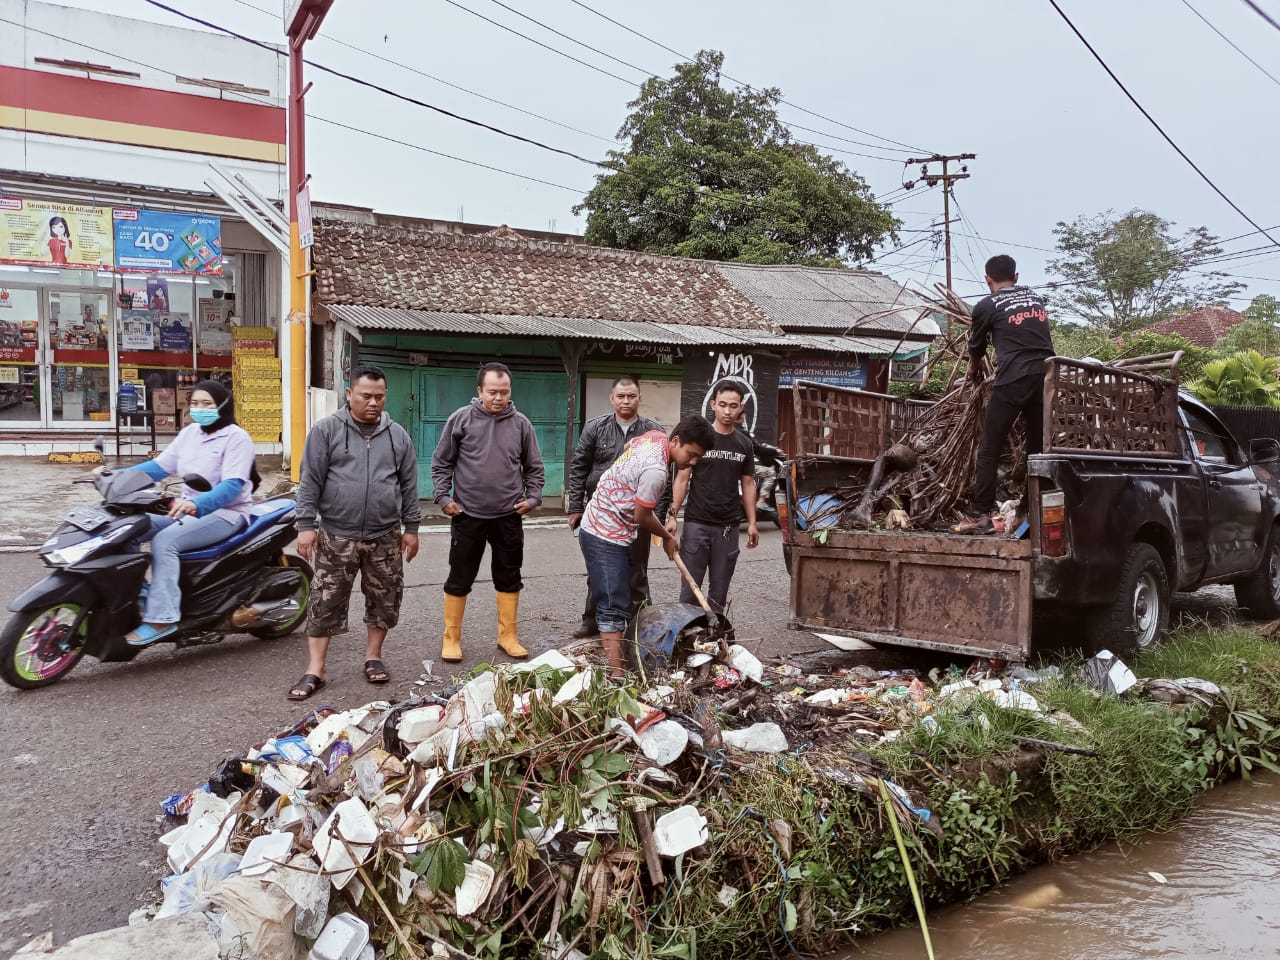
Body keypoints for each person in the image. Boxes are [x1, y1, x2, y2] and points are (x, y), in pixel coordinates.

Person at [289, 365, 420, 700]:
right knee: (325, 601)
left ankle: (373, 657)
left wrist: (412, 528)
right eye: (366, 396)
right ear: (350, 394)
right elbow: (310, 481)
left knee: (384, 600)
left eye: (379, 396)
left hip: (385, 535)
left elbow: (408, 485)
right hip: (337, 533)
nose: (373, 403)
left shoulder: (397, 436)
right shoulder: (326, 430)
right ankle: (315, 669)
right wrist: (306, 526)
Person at [121, 380, 258, 646]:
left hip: (225, 513)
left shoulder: (236, 437)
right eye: (194, 403)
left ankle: (162, 618)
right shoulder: (190, 432)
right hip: (185, 508)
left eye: (206, 404)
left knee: (165, 542)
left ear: (222, 405)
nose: (199, 409)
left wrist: (199, 504)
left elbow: (232, 485)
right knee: (128, 529)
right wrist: (114, 478)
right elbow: (160, 467)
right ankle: (145, 596)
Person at [580, 416, 715, 674]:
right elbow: (641, 516)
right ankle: (617, 673)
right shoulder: (657, 471)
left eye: (699, 457)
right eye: (691, 454)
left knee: (623, 593)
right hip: (602, 531)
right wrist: (666, 536)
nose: (693, 462)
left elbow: (630, 445)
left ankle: (621, 657)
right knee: (612, 600)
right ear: (676, 441)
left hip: (611, 525)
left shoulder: (655, 436)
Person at [432, 362, 545, 663]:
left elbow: (534, 467)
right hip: (467, 514)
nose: (498, 398)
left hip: (508, 515)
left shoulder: (521, 424)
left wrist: (532, 498)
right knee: (460, 576)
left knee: (509, 576)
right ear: (479, 391)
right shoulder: (461, 420)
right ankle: (451, 638)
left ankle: (507, 636)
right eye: (492, 392)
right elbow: (442, 463)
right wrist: (443, 497)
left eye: (504, 392)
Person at [954, 255, 1056, 535]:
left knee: (989, 447)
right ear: (1017, 277)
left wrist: (973, 373)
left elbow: (976, 348)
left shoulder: (987, 305)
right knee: (1037, 449)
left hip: (1013, 379)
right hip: (1046, 377)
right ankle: (1031, 510)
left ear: (988, 280)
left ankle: (980, 514)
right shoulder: (1036, 299)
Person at [566, 376, 665, 639]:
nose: (626, 401)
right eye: (620, 396)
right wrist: (575, 507)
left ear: (639, 398)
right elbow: (579, 468)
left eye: (631, 396)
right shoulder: (594, 428)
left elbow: (661, 480)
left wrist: (660, 519)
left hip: (638, 514)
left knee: (637, 569)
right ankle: (591, 620)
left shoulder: (652, 431)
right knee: (599, 568)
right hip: (602, 512)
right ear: (612, 398)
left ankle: (640, 622)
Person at [665, 380, 760, 616]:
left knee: (719, 592)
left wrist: (753, 523)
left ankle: (714, 638)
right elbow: (682, 479)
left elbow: (748, 483)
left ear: (740, 408)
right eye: (723, 405)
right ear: (713, 405)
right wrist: (672, 515)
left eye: (734, 406)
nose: (728, 411)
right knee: (690, 589)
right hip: (697, 524)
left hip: (728, 527)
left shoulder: (744, 443)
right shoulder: (701, 439)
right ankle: (686, 637)